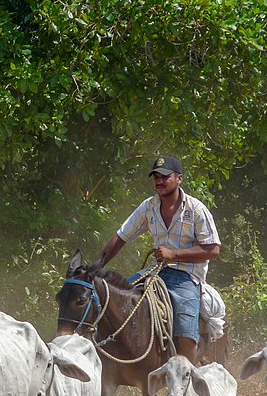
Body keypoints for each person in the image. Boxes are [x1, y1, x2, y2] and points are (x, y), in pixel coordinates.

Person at [92, 156, 220, 363]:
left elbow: (213, 250)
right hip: (155, 271)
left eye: (165, 177)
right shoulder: (148, 206)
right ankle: (117, 363)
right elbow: (121, 237)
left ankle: (186, 373)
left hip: (187, 277)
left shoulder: (196, 209)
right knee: (118, 298)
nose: (159, 181)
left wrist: (174, 254)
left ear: (179, 179)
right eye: (156, 177)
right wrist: (95, 268)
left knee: (185, 325)